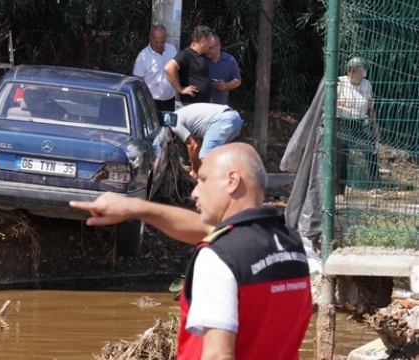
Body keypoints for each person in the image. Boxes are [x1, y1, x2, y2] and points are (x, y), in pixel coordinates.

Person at [70, 143, 313, 360]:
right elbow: (209, 229)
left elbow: (218, 354)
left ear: (232, 180)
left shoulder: (218, 257)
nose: (195, 192)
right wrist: (133, 207)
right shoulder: (290, 245)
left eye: (203, 180)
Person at [336, 56, 380, 193]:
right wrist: (341, 103)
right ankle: (339, 191)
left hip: (358, 124)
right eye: (351, 70)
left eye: (360, 71)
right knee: (341, 157)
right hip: (341, 124)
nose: (352, 73)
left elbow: (370, 108)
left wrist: (375, 128)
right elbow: (327, 104)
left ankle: (376, 186)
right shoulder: (339, 83)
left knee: (370, 150)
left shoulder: (366, 85)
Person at [171, 102, 243, 176]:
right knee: (219, 155)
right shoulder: (178, 117)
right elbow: (197, 144)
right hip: (234, 118)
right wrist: (195, 168)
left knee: (205, 156)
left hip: (224, 119)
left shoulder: (174, 123)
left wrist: (195, 172)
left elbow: (193, 146)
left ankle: (213, 183)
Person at [164, 25, 214, 109]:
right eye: (209, 42)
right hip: (187, 104)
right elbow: (169, 68)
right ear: (203, 40)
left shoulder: (203, 56)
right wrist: (181, 89)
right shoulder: (186, 54)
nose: (210, 46)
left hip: (202, 105)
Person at [133, 24, 177, 111]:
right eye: (156, 41)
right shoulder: (143, 56)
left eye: (162, 41)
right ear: (150, 38)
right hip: (151, 103)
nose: (159, 45)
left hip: (170, 102)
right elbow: (138, 82)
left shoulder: (172, 50)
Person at [206, 34, 242, 105]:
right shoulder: (200, 60)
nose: (207, 50)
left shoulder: (229, 60)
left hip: (220, 106)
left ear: (218, 46)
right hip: (201, 106)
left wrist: (225, 85)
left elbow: (237, 80)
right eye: (205, 47)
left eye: (210, 48)